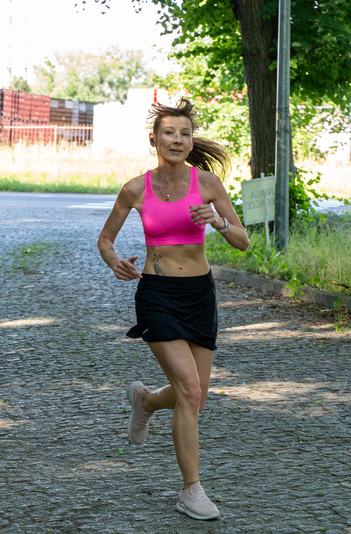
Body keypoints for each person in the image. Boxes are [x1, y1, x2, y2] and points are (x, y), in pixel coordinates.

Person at [97, 98, 249, 521]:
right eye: (170, 133)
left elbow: (243, 240)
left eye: (185, 133)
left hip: (199, 295)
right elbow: (105, 240)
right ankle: (191, 489)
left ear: (190, 140)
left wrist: (217, 223)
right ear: (155, 139)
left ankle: (144, 402)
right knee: (188, 387)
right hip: (157, 294)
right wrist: (116, 263)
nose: (178, 139)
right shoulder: (135, 188)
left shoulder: (208, 184)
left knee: (194, 398)